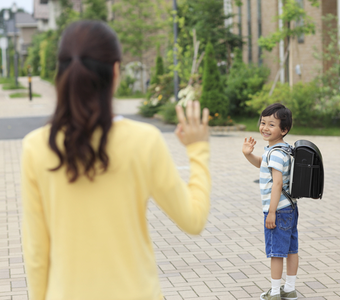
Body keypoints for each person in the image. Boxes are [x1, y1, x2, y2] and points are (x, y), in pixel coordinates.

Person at [21, 20, 210, 300]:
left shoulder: (36, 147)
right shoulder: (144, 140)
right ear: (115, 71)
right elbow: (193, 220)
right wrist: (198, 149)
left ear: (60, 73)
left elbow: (37, 253)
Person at [242, 103, 298, 300]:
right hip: (290, 207)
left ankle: (274, 292)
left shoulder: (275, 152)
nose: (265, 127)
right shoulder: (282, 149)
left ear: (284, 129)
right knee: (291, 249)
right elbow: (262, 164)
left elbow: (277, 183)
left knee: (276, 252)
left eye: (271, 124)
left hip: (278, 209)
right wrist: (249, 154)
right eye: (263, 122)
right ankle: (290, 289)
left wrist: (271, 212)